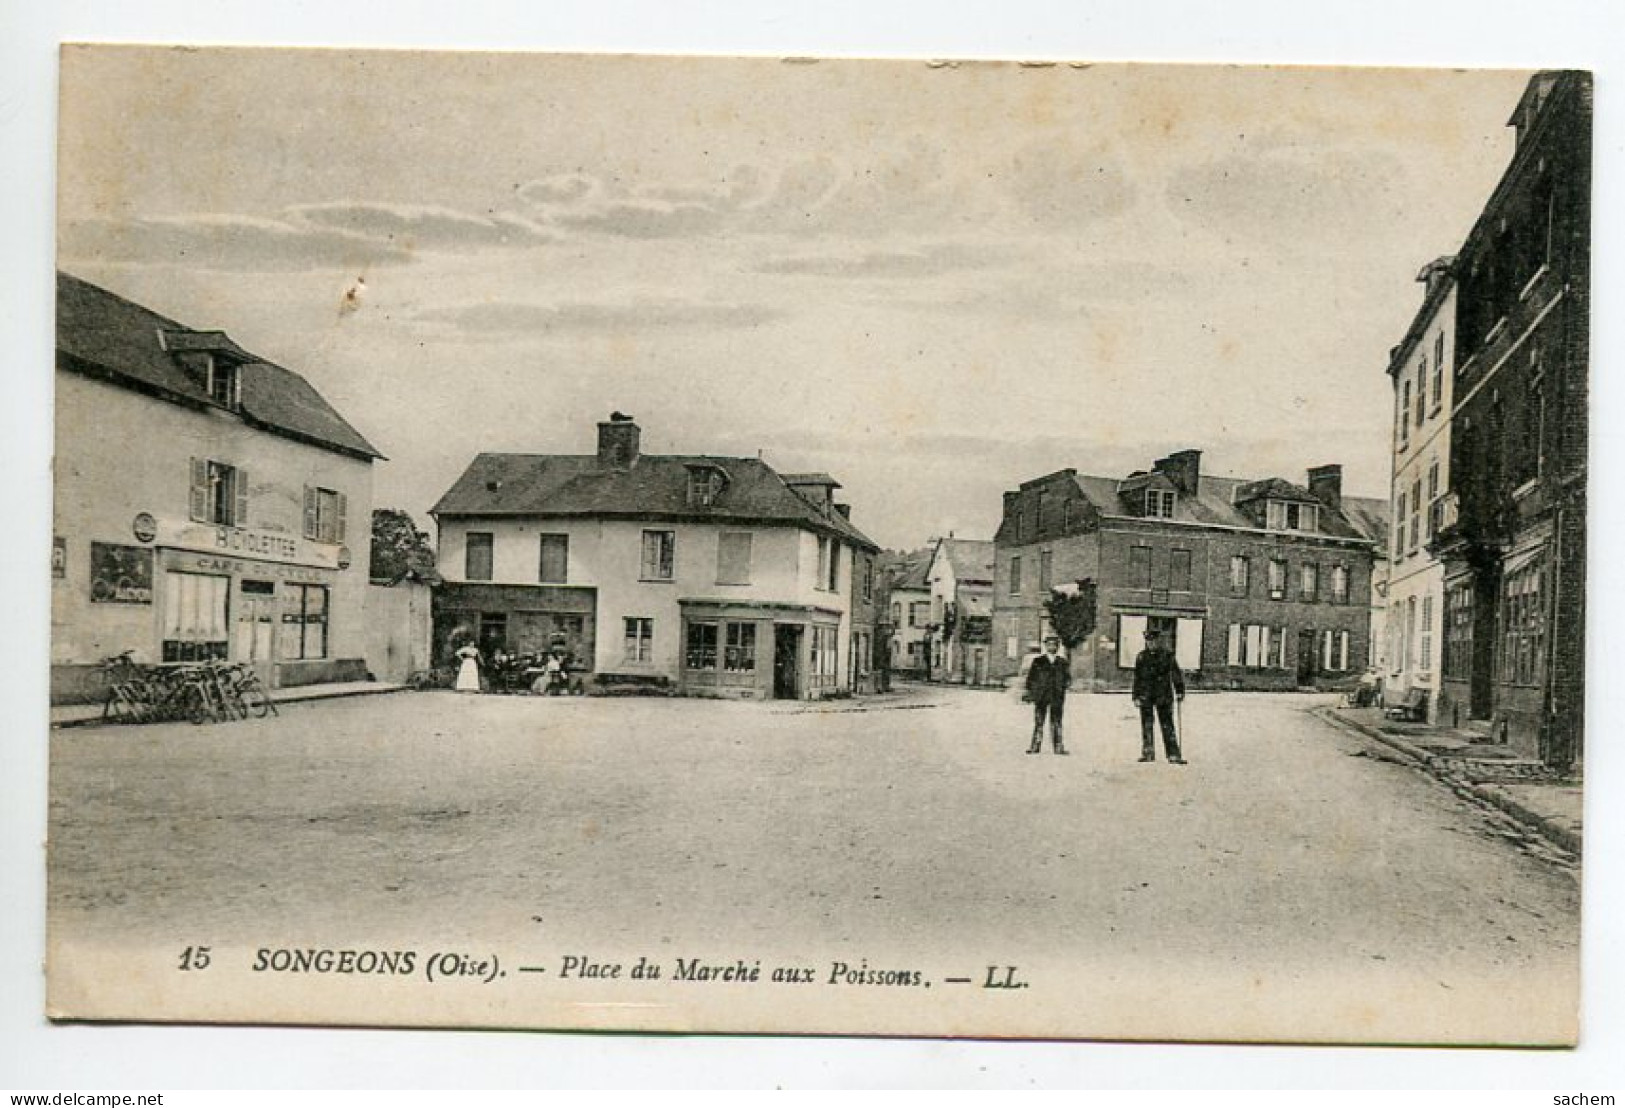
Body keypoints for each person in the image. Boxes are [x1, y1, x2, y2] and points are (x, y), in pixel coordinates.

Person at [1132, 628, 1185, 763]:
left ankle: (1173, 755)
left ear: (1158, 641)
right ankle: (1148, 753)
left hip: (1163, 695)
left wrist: (1179, 690)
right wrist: (1136, 696)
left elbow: (1176, 674)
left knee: (1167, 725)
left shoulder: (1167, 655)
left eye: (1153, 641)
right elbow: (1137, 678)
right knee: (1147, 725)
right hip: (1146, 696)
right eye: (1148, 641)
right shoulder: (1141, 657)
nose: (1151, 644)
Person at [1024, 634, 1070, 755]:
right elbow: (1031, 679)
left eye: (1054, 645)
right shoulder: (1038, 661)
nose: (1052, 647)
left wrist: (1062, 688)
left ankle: (1058, 747)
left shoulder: (1062, 662)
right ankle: (1035, 746)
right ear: (1045, 646)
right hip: (1041, 696)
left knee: (1057, 722)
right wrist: (1031, 692)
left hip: (1056, 696)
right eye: (1049, 644)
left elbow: (1067, 679)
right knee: (1039, 722)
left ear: (1058, 647)